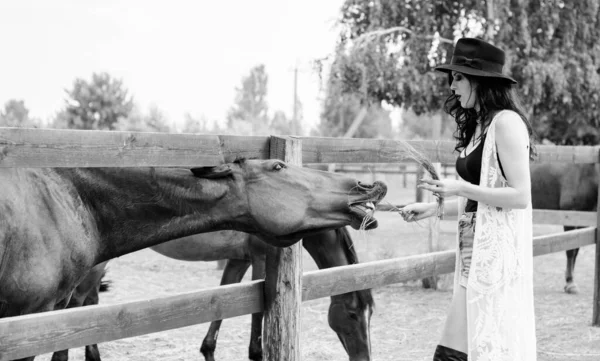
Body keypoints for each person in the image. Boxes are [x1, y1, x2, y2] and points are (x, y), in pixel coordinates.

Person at [400, 38, 537, 361]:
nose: (452, 84)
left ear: (481, 81)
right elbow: (479, 201)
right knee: (462, 350)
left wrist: (459, 188)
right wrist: (434, 209)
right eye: (453, 77)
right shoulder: (478, 126)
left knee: (460, 351)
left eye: (459, 77)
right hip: (471, 248)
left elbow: (520, 196)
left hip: (494, 255)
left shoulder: (507, 124)